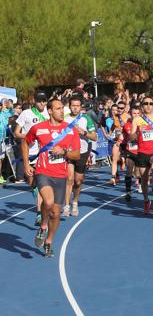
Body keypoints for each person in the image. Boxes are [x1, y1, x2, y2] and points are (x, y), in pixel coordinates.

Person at [22, 99, 80, 258]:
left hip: (60, 175)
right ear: (49, 111)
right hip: (43, 172)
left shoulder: (70, 130)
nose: (62, 111)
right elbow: (25, 143)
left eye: (63, 108)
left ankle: (48, 241)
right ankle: (43, 225)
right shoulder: (38, 128)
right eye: (58, 108)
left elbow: (76, 154)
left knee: (56, 213)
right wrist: (27, 163)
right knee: (47, 202)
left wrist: (64, 152)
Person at [15, 91, 50, 225]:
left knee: (42, 183)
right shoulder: (26, 114)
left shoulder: (49, 113)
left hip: (44, 153)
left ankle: (40, 212)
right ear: (34, 101)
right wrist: (29, 136)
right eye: (39, 100)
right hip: (29, 152)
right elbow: (16, 133)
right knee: (32, 183)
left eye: (44, 100)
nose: (42, 103)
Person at [62, 95, 97, 217]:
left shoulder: (86, 118)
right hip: (69, 151)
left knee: (78, 181)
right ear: (69, 106)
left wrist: (84, 132)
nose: (75, 108)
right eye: (73, 106)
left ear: (81, 106)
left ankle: (75, 202)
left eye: (77, 106)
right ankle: (66, 205)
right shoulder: (64, 119)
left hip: (82, 151)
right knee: (69, 179)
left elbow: (95, 136)